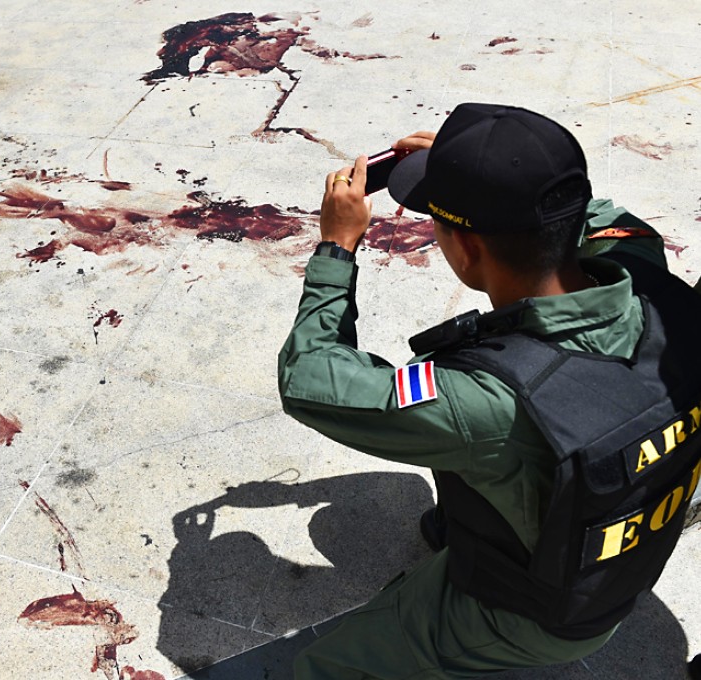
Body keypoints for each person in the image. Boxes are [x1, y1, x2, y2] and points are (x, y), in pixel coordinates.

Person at [277, 103, 701, 679]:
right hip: (623, 557)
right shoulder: (660, 285)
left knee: (327, 667)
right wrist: (494, 175)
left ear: (467, 249)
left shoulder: (485, 399)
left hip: (542, 618)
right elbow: (614, 220)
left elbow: (309, 378)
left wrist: (336, 248)